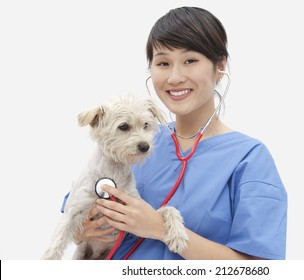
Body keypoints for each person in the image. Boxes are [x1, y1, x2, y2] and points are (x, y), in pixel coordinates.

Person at [75, 6, 287, 260]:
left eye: (190, 61)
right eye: (163, 63)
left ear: (220, 66)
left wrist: (160, 228)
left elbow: (259, 268)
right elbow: (76, 215)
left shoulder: (249, 159)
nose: (175, 77)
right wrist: (83, 230)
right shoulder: (132, 142)